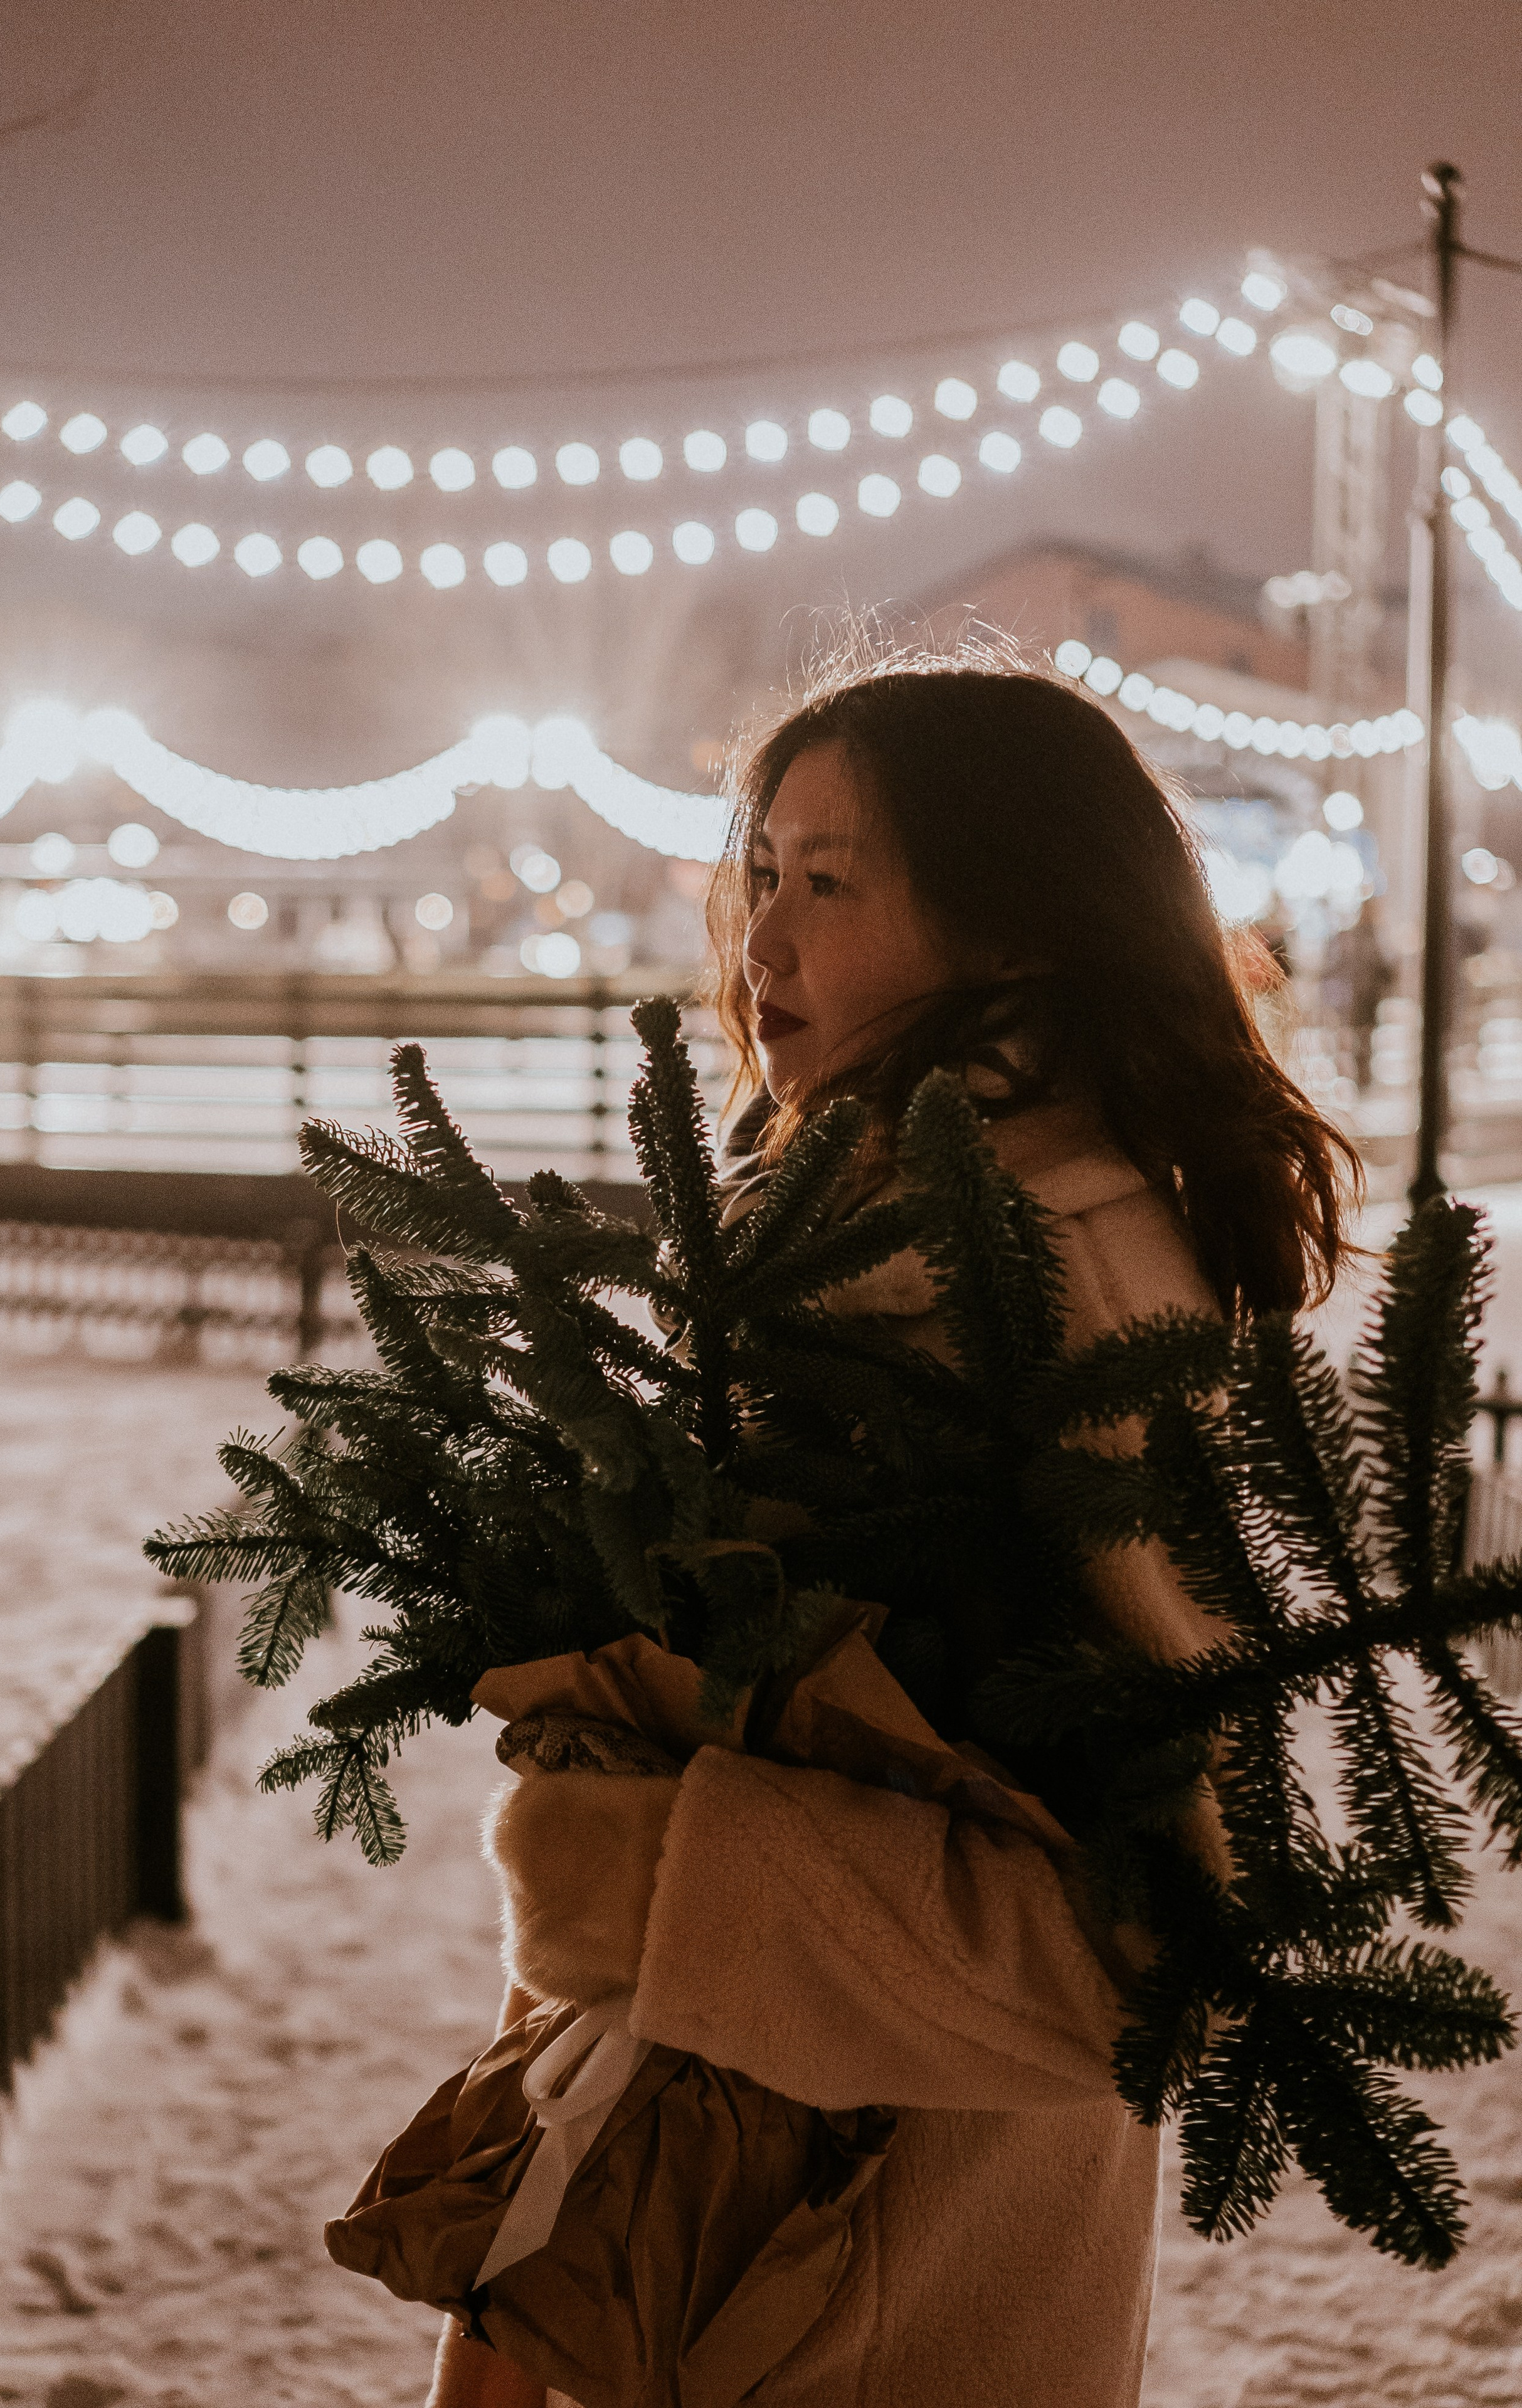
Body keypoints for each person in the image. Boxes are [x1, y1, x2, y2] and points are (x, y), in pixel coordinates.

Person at [433, 648, 1360, 2408]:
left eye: (831, 884)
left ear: (1013, 933)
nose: (763, 942)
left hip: (870, 2298)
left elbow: (1166, 1938)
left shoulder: (1040, 1286)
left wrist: (663, 1881)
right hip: (740, 2232)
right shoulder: (867, 1234)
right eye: (761, 874)